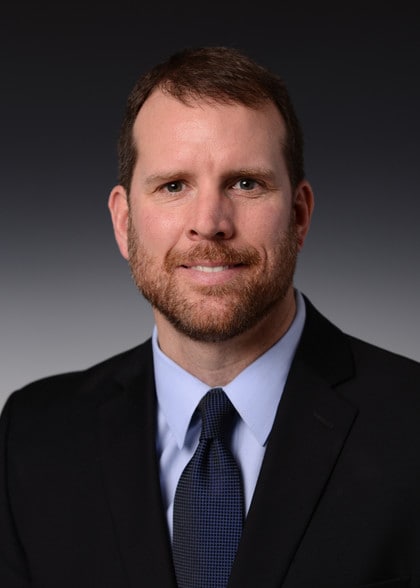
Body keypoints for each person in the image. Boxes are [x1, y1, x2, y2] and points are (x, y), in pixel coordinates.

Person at [1, 45, 419, 588]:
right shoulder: (33, 436)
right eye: (174, 185)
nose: (210, 223)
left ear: (299, 215)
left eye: (245, 183)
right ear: (124, 223)